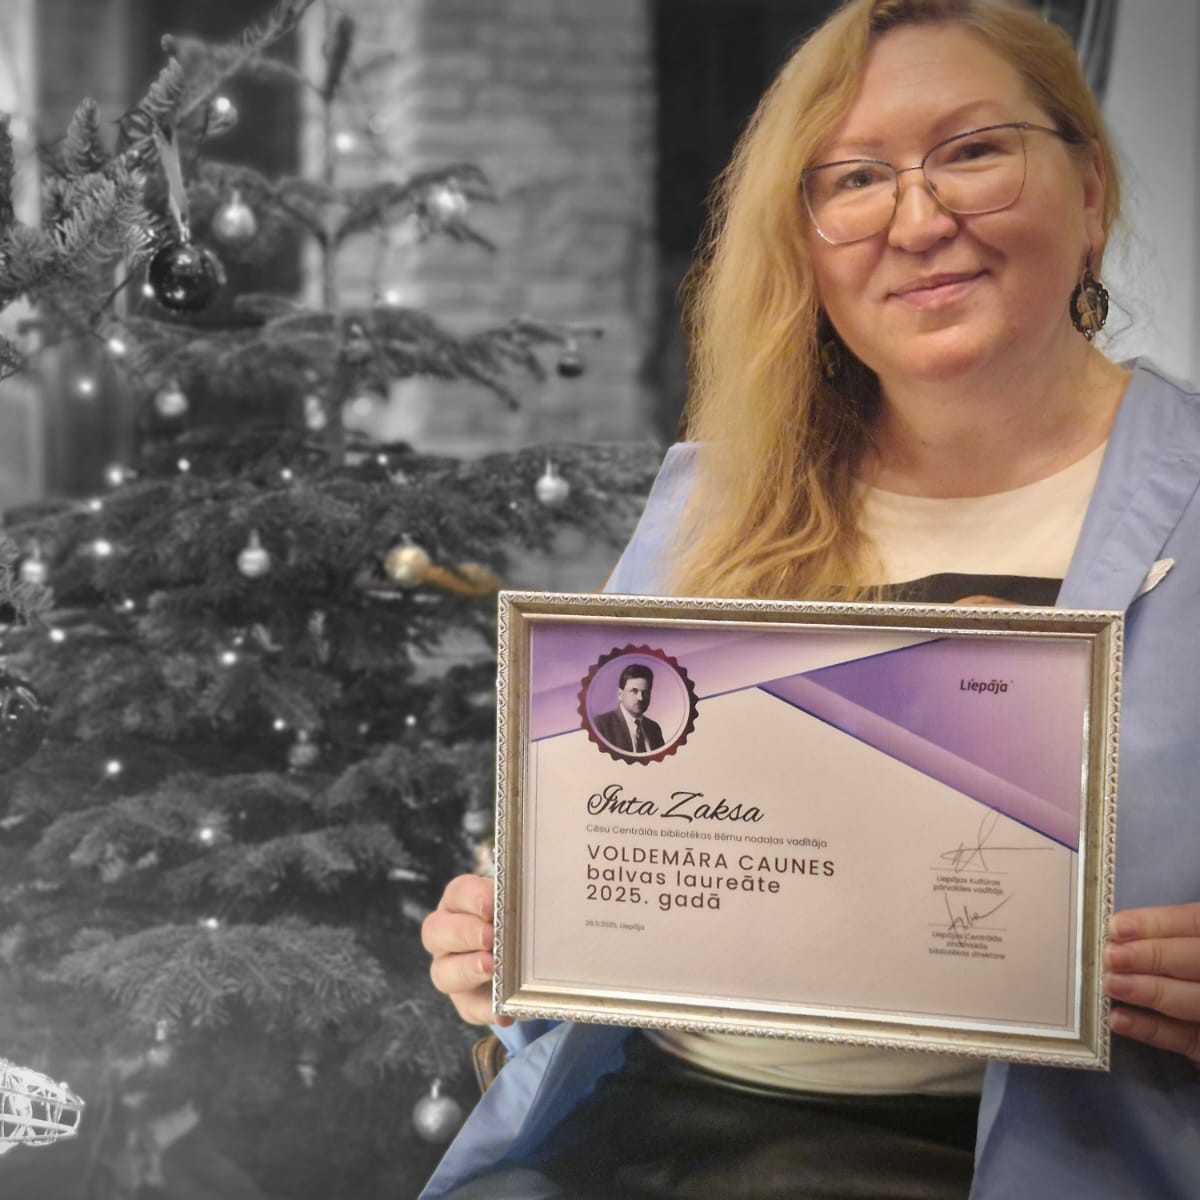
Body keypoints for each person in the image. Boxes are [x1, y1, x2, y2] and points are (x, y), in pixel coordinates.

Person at [421, 1, 1200, 1196]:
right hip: (641, 1133)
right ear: (806, 243)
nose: (918, 220)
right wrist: (508, 942)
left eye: (972, 153)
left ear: (1089, 190)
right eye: (855, 179)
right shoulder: (712, 503)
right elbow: (608, 841)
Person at [592, 663, 665, 754]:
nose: (640, 698)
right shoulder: (602, 725)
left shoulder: (654, 728)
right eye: (634, 691)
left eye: (645, 692)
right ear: (620, 694)